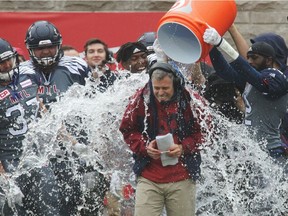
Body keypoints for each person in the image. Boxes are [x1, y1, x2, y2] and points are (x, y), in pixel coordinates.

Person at [119, 62, 206, 216]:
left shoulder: (191, 100)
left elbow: (205, 131)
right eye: (156, 88)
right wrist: (144, 147)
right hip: (149, 177)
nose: (160, 93)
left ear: (176, 84)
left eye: (165, 88)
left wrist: (183, 147)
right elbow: (128, 129)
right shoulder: (141, 98)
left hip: (182, 177)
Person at [23, 20, 91, 215]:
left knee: (75, 197)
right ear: (30, 49)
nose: (45, 53)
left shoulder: (76, 66)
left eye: (50, 48)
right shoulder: (23, 72)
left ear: (59, 45)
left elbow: (93, 101)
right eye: (39, 49)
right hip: (38, 146)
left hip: (73, 142)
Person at [203, 26, 288, 166]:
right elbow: (225, 71)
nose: (250, 61)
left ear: (268, 60)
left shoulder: (277, 77)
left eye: (254, 58)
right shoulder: (252, 77)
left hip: (271, 152)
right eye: (248, 58)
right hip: (251, 150)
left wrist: (221, 43)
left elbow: (259, 81)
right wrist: (211, 48)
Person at [0, 38, 60, 215]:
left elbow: (41, 108)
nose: (7, 65)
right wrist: (2, 175)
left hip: (36, 157)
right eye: (1, 62)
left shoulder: (27, 75)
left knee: (49, 208)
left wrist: (71, 142)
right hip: (9, 162)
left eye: (9, 59)